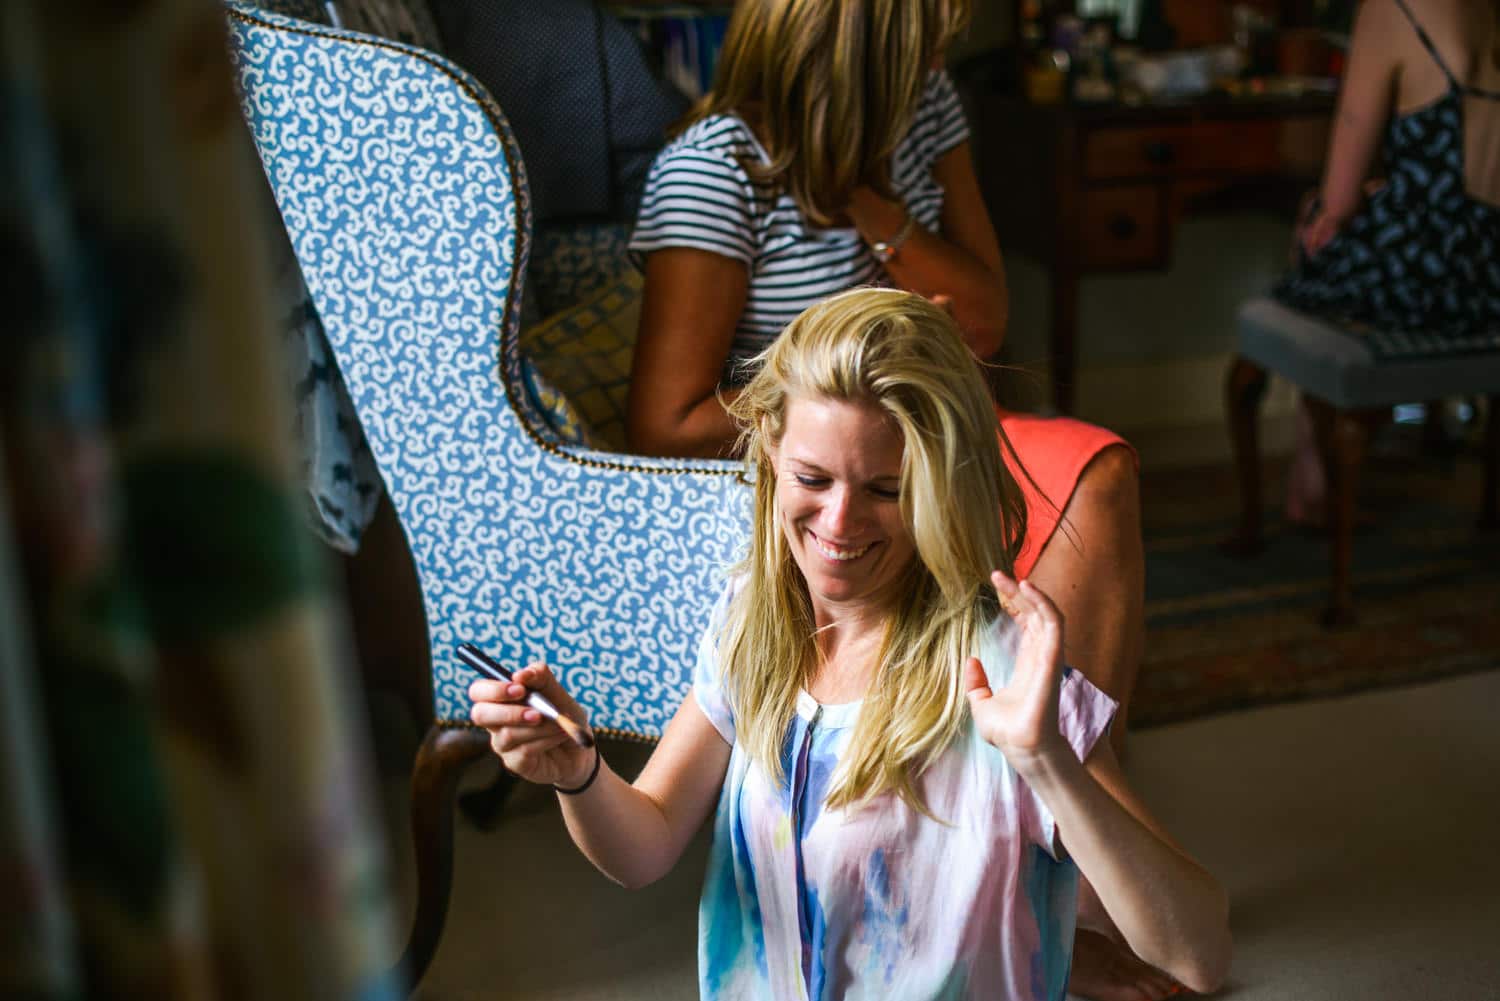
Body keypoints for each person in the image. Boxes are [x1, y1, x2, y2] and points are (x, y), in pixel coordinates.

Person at [471, 289, 1231, 1001]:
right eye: (813, 476)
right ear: (771, 449)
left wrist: (1048, 763)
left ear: (942, 484)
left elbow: (1197, 952)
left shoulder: (1002, 671)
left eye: (885, 490)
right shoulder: (753, 621)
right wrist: (578, 773)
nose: (838, 523)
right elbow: (646, 846)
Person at [622, 0, 1146, 769]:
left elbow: (986, 316)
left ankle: (1077, 793)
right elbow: (666, 421)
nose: (939, 68)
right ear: (855, 58)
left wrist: (871, 207)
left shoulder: (924, 113)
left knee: (1098, 471)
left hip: (942, 425)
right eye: (922, 51)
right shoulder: (714, 169)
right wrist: (839, 384)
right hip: (828, 451)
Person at [1273, 0, 1500, 523]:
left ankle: (1312, 471)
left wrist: (1329, 213)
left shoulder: (1393, 9)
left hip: (1431, 279)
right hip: (1490, 274)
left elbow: (1339, 201)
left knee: (1316, 237)